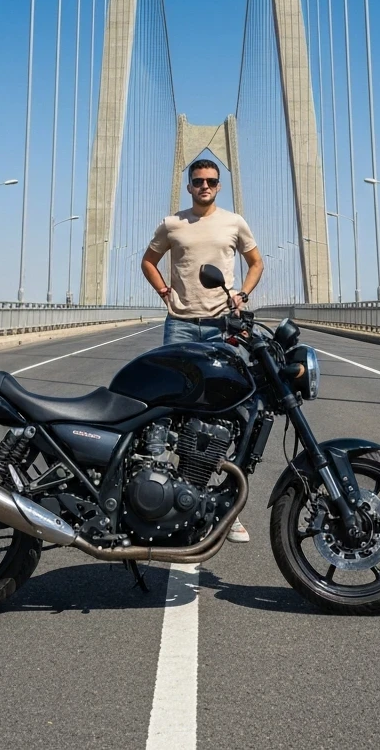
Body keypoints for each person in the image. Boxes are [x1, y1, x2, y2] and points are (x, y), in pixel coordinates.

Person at [141, 158, 263, 543]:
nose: (204, 186)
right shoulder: (172, 223)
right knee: (165, 405)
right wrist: (164, 291)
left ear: (219, 186)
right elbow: (148, 260)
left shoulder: (234, 222)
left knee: (225, 414)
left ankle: (226, 507)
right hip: (179, 324)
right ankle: (154, 492)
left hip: (219, 326)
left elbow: (256, 262)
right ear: (189, 186)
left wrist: (242, 294)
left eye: (211, 181)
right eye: (198, 181)